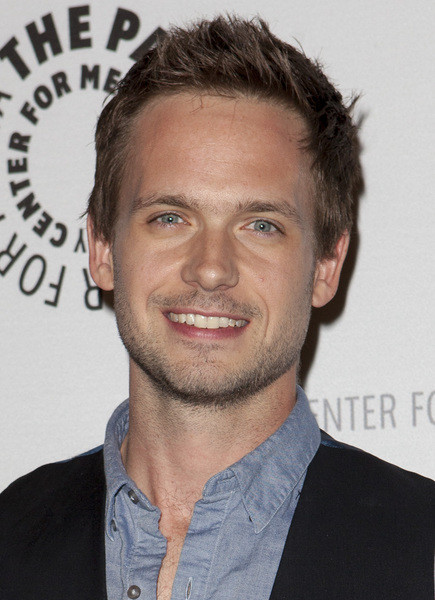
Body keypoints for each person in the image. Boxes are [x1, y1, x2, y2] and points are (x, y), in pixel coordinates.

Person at [0, 15, 433, 600]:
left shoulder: (423, 549)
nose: (210, 268)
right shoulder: (9, 540)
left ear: (326, 265)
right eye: (170, 218)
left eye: (261, 225)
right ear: (101, 249)